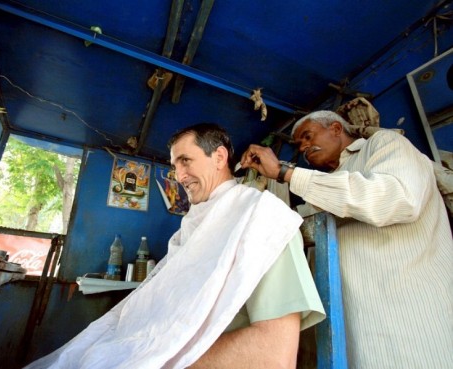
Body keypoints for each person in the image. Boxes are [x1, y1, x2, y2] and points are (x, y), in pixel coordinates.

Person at [25, 123, 324, 369]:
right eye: (174, 166)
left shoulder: (261, 217)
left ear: (219, 157)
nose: (179, 176)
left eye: (186, 161)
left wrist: (161, 362)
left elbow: (272, 356)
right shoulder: (190, 228)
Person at [240, 110, 453, 369]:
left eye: (307, 137)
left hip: (408, 321)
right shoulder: (326, 186)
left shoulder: (385, 144)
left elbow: (398, 198)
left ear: (336, 129)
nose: (304, 147)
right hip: (354, 329)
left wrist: (286, 172)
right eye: (299, 145)